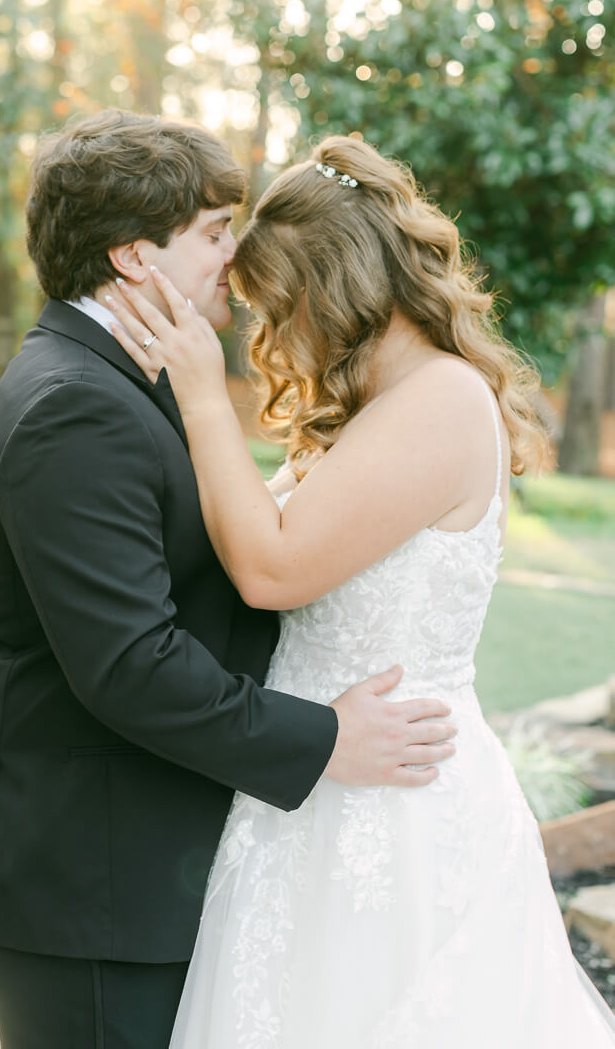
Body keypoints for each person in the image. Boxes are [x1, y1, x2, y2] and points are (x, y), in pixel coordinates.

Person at [0, 111, 458, 1049]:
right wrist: (327, 739)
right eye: (214, 232)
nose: (234, 255)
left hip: (132, 871)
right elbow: (131, 663)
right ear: (135, 258)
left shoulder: (123, 378)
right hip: (85, 886)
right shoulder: (74, 406)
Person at [108, 133, 615, 1047]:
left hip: (392, 808)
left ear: (329, 289)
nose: (270, 338)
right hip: (311, 789)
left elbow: (268, 567)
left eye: (277, 309)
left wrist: (199, 393)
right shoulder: (377, 411)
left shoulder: (440, 400)